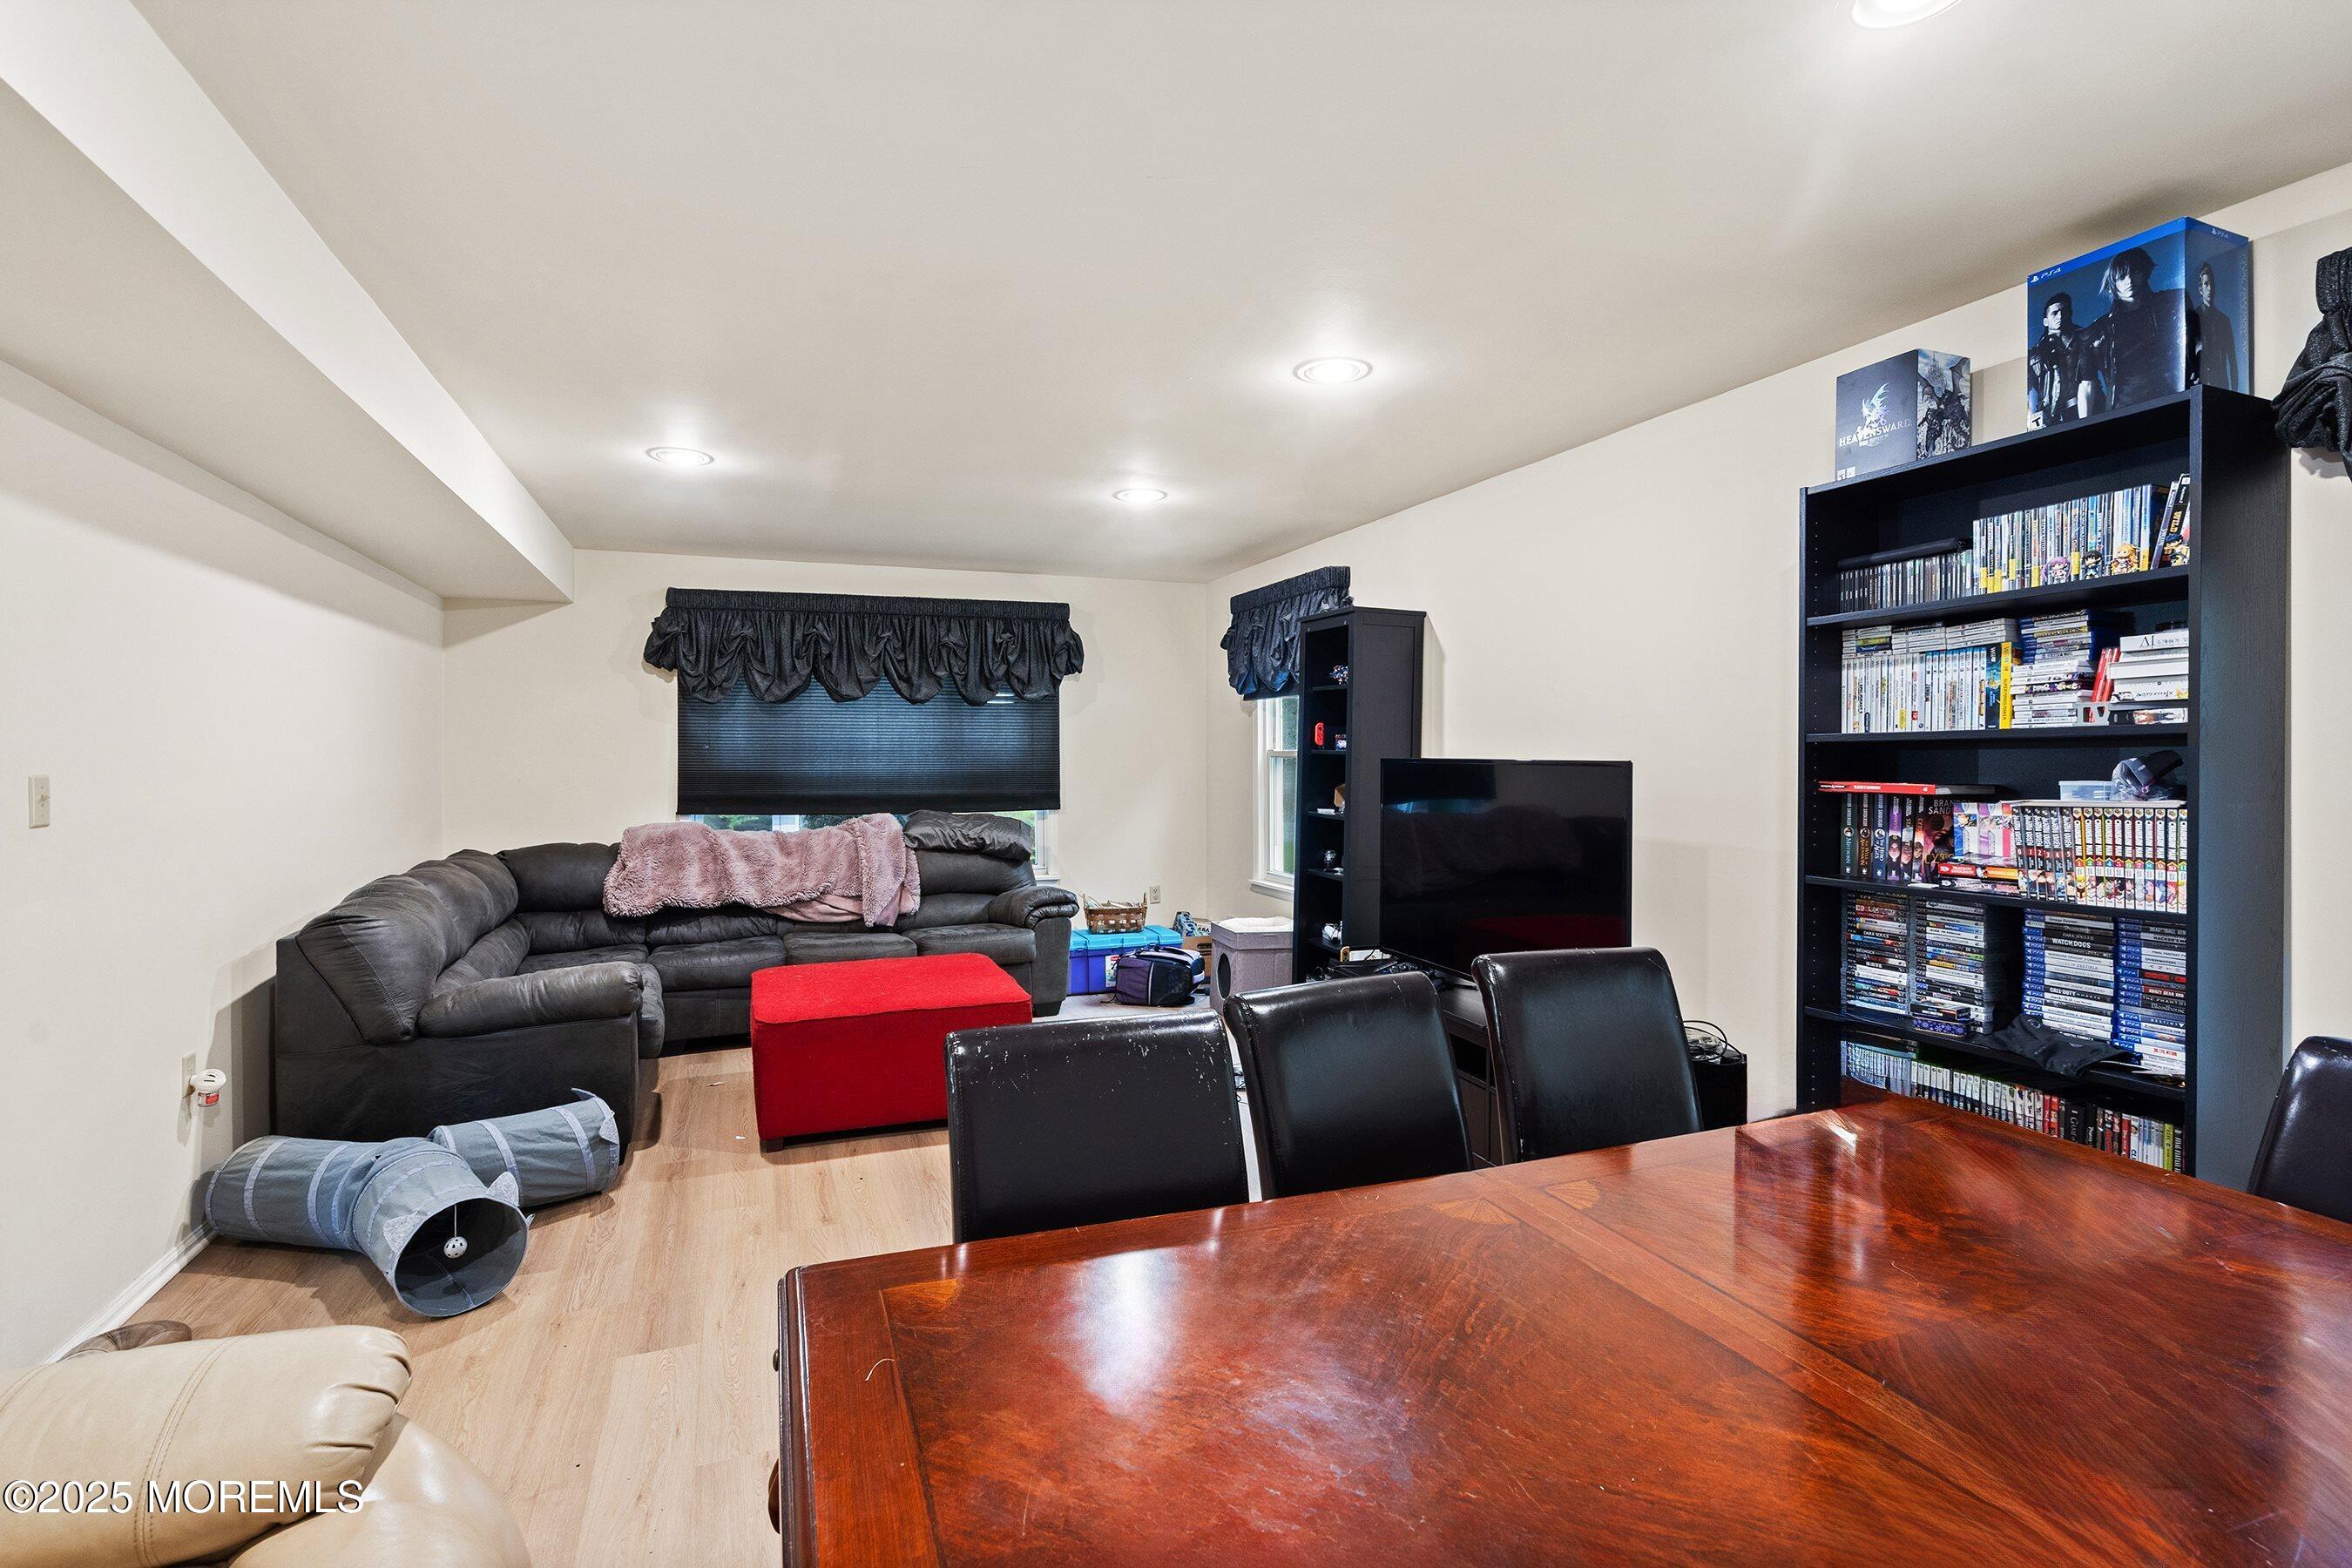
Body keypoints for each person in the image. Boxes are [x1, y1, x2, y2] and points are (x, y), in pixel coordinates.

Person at [2084, 247, 2186, 412]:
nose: (2129, 281)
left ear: (2145, 272)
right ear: (2112, 284)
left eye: (2135, 272)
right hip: (2123, 410)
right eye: (2122, 277)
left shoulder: (2170, 304)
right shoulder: (2102, 328)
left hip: (2169, 399)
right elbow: (2087, 383)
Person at [2027, 293, 2091, 427]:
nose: (2060, 316)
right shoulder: (2034, 354)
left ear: (2071, 313)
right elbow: (2027, 396)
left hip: (2083, 410)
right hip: (2048, 418)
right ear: (2046, 321)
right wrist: (2033, 425)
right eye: (2054, 313)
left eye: (2064, 311)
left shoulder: (2085, 339)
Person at [2195, 260, 2240, 391]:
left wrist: (2235, 393)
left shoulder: (2223, 321)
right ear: (2200, 289)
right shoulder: (2194, 317)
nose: (2209, 288)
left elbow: (2232, 361)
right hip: (2199, 385)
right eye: (2206, 284)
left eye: (2212, 284)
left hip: (2221, 385)